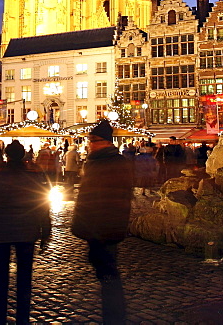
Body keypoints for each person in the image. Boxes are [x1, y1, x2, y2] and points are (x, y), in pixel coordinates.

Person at [0, 140, 50, 325]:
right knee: (24, 278)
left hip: (2, 230)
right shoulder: (33, 176)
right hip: (27, 230)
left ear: (7, 155)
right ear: (23, 155)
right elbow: (42, 205)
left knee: (0, 277)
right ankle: (22, 318)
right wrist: (45, 230)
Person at [71, 120, 134, 324]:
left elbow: (99, 197)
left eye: (92, 140)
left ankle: (115, 317)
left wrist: (90, 225)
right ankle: (114, 316)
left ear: (104, 142)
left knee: (108, 275)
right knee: (106, 272)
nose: (89, 144)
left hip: (103, 228)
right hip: (102, 227)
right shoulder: (101, 161)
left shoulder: (107, 163)